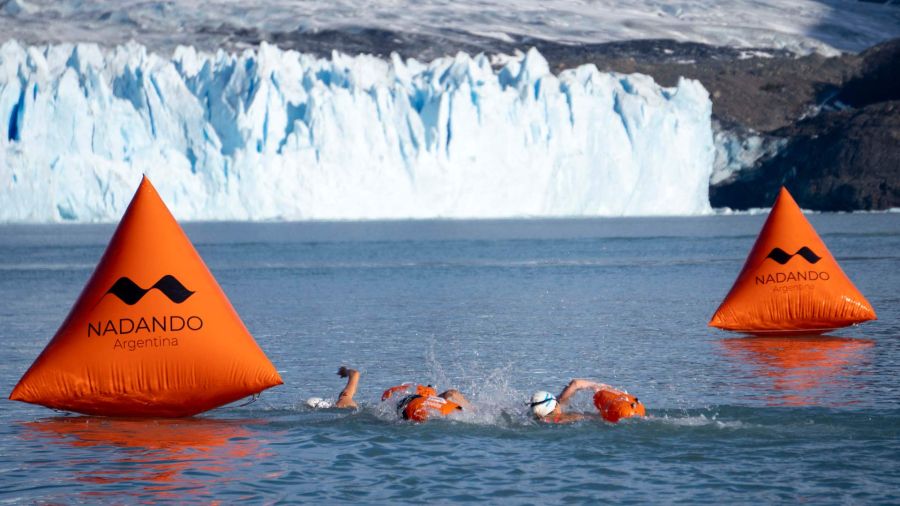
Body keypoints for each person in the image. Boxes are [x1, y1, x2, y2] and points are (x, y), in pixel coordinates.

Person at [530, 379, 645, 424]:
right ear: (554, 405)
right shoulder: (567, 417)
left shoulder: (535, 418)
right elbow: (575, 383)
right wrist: (596, 386)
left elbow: (575, 383)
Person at [381, 383, 471, 422]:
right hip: (416, 407)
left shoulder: (402, 396)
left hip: (408, 410)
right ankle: (473, 409)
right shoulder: (432, 398)